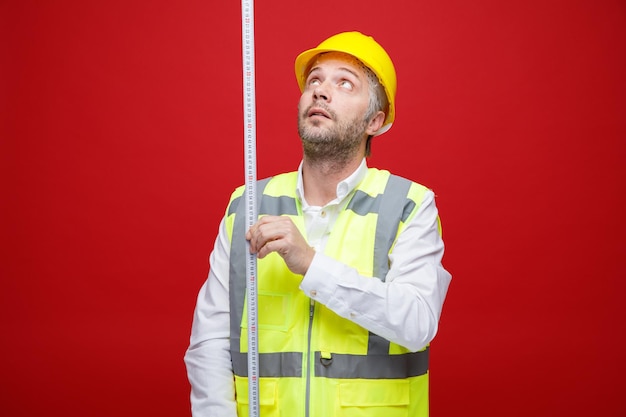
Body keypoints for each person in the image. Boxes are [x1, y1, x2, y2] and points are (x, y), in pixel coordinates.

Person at [184, 31, 452, 417]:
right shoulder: (247, 205)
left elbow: (417, 323)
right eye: (315, 80)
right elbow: (209, 343)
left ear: (374, 120)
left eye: (344, 83)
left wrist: (311, 265)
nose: (321, 92)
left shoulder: (410, 206)